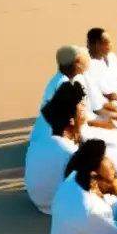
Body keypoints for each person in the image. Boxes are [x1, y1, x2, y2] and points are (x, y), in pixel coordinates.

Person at [30, 44, 117, 173]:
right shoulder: (63, 87)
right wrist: (102, 125)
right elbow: (74, 125)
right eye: (85, 59)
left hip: (66, 133)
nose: (87, 62)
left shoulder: (67, 80)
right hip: (59, 139)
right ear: (77, 62)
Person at [25, 82, 85, 214]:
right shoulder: (69, 152)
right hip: (58, 207)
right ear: (71, 120)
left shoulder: (40, 142)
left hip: (39, 200)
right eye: (82, 108)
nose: (85, 112)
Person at [65, 139, 117, 223]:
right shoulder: (93, 196)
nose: (109, 161)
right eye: (104, 158)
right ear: (93, 173)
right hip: (99, 224)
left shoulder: (84, 177)